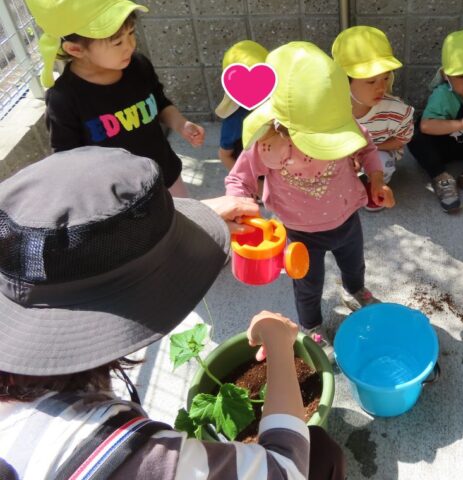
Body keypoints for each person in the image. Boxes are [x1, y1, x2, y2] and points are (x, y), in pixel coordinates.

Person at [0, 147, 346, 480]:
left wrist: (188, 218)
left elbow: (70, 253)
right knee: (319, 453)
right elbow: (285, 469)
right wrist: (280, 344)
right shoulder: (134, 458)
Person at [225, 41, 395, 359]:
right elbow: (238, 179)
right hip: (300, 233)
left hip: (347, 218)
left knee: (354, 264)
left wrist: (376, 179)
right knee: (308, 284)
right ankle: (311, 324)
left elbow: (367, 150)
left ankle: (354, 290)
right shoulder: (268, 145)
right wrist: (241, 211)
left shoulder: (342, 124)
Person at [23, 0, 205, 197]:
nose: (130, 45)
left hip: (165, 174)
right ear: (76, 49)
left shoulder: (137, 66)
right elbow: (67, 161)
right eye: (117, 42)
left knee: (186, 217)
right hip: (119, 197)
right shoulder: (64, 99)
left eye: (131, 33)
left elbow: (160, 103)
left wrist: (181, 125)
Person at [407, 29, 463, 213]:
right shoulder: (442, 95)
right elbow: (426, 126)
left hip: (458, 142)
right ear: (445, 76)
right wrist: (461, 124)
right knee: (414, 138)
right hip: (434, 144)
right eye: (461, 76)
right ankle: (441, 178)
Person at [332, 25, 414, 212]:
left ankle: (373, 187)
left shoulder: (397, 111)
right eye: (371, 81)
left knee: (382, 162)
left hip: (379, 152)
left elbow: (403, 138)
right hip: (344, 154)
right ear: (343, 80)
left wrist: (371, 150)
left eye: (385, 78)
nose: (381, 88)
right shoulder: (332, 109)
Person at [217, 40, 270, 171]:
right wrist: (249, 181)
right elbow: (225, 155)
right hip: (254, 170)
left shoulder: (279, 102)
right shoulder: (236, 119)